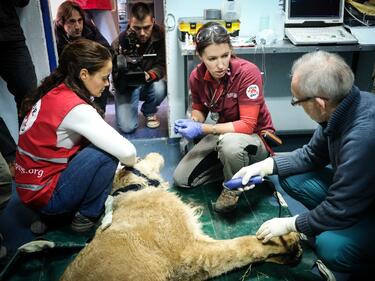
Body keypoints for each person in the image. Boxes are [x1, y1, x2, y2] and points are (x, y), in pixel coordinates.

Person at [234, 50, 375, 274]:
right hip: (356, 197)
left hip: (364, 207)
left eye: (297, 101)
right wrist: (263, 166)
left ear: (319, 103)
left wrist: (293, 224)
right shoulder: (342, 107)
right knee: (291, 176)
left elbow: (340, 208)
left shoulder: (363, 137)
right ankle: (332, 227)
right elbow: (311, 155)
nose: (297, 105)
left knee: (331, 247)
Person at [15, 39, 137, 233]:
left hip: (30, 191)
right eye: (104, 77)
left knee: (88, 144)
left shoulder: (55, 92)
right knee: (106, 154)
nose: (107, 84)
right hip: (47, 198)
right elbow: (128, 152)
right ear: (84, 74)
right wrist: (131, 163)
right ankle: (86, 216)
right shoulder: (75, 108)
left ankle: (51, 217)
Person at [173, 22, 276, 213]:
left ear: (231, 51)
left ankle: (233, 188)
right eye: (212, 58)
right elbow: (199, 108)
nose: (220, 65)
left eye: (225, 55)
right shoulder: (196, 76)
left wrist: (204, 129)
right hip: (224, 133)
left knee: (230, 146)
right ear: (200, 56)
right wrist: (193, 121)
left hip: (255, 137)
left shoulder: (247, 73)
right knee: (182, 179)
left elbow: (247, 125)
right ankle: (238, 168)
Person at [112, 2, 167, 132]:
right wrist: (122, 74)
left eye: (147, 27)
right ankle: (125, 107)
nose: (142, 33)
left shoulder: (161, 36)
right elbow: (111, 69)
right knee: (127, 127)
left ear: (153, 21)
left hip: (148, 82)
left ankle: (149, 110)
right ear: (130, 22)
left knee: (161, 87)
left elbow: (162, 64)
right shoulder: (120, 40)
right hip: (127, 86)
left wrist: (149, 75)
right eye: (137, 28)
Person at [54, 0, 112, 112]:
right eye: (72, 21)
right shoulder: (55, 38)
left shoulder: (89, 28)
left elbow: (108, 51)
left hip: (92, 74)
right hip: (71, 81)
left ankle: (100, 113)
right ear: (62, 22)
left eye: (79, 21)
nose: (77, 26)